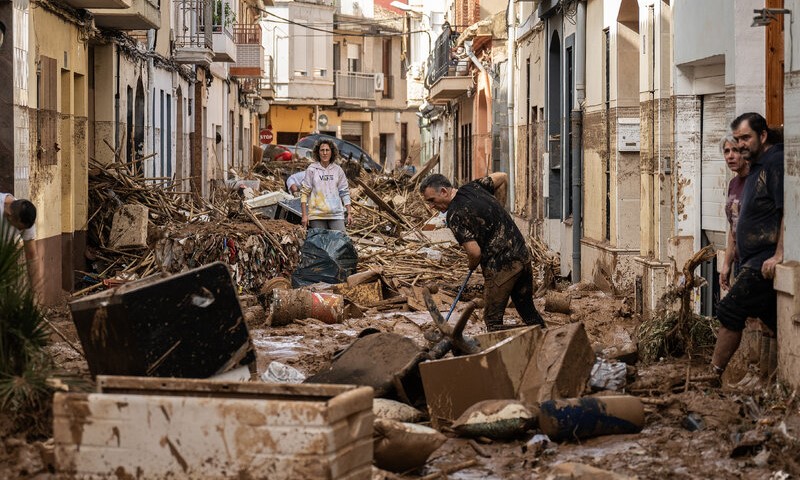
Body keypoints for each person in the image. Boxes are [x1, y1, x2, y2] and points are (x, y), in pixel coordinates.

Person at [419, 173, 546, 331]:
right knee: (527, 309)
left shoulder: (454, 215)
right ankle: (546, 341)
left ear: (444, 191)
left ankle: (504, 353)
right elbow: (502, 177)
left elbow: (474, 252)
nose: (431, 206)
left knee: (492, 320)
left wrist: (472, 265)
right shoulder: (474, 187)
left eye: (432, 200)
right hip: (522, 256)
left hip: (502, 267)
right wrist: (498, 210)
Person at [711, 112, 783, 379]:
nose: (737, 149)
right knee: (772, 321)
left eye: (744, 139)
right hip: (749, 260)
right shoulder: (750, 173)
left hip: (763, 260)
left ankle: (714, 373)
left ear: (762, 136)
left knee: (731, 310)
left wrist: (779, 254)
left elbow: (786, 211)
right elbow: (734, 228)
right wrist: (727, 263)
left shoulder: (772, 163)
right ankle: (768, 379)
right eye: (732, 145)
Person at [299, 139, 353, 231]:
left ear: (332, 152)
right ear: (318, 152)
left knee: (340, 242)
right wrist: (304, 215)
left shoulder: (338, 170)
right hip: (316, 215)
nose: (324, 153)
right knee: (319, 244)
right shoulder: (312, 169)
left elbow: (344, 192)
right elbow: (304, 193)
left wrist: (349, 213)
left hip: (336, 214)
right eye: (322, 150)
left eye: (327, 150)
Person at [719, 134, 749, 290]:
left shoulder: (758, 180)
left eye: (735, 150)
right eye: (726, 151)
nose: (730, 156)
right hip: (738, 262)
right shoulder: (733, 183)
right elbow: (733, 229)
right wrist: (726, 264)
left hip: (754, 262)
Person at [0, 193, 42, 299]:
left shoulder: (25, 217)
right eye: (18, 227)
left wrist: (35, 295)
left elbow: (32, 256)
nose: (19, 231)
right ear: (9, 215)